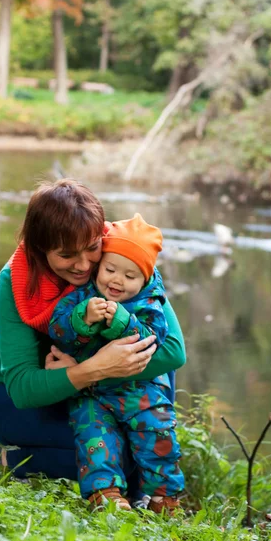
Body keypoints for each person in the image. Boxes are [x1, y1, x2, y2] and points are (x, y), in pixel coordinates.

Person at [0, 179, 186, 495]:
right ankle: (10, 458)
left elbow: (172, 352)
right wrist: (95, 369)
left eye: (91, 248)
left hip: (84, 385)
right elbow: (21, 388)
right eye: (67, 255)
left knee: (148, 351)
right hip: (18, 395)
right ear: (39, 249)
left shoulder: (123, 255)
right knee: (106, 461)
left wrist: (95, 371)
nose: (84, 265)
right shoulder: (16, 279)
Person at [48, 214, 185, 513]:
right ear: (101, 265)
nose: (116, 281)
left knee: (158, 436)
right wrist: (81, 319)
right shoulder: (83, 296)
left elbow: (152, 339)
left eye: (130, 276)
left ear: (145, 279)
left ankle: (164, 498)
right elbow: (57, 329)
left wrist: (122, 322)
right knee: (94, 439)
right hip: (92, 394)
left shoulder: (150, 304)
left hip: (142, 391)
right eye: (110, 269)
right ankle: (106, 494)